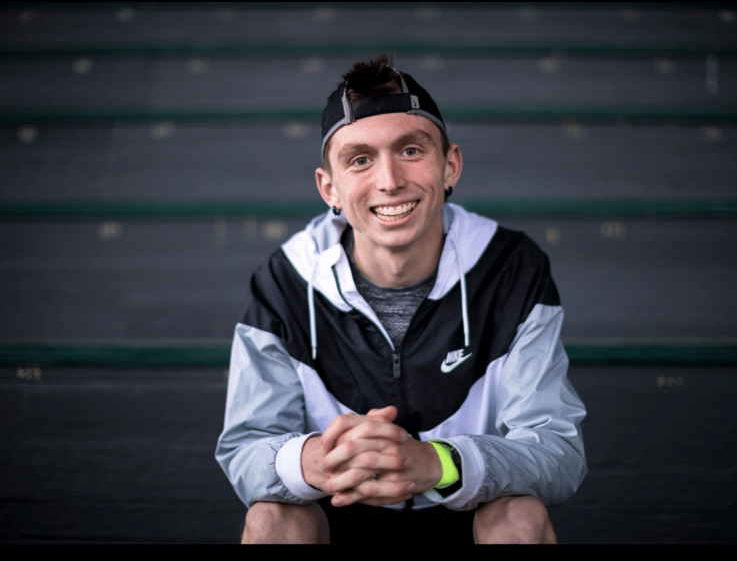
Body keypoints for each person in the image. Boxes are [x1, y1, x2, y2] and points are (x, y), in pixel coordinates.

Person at [215, 53, 587, 544]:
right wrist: (321, 459)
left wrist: (439, 463)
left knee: (519, 517)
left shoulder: (512, 267)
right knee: (271, 521)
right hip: (339, 514)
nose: (389, 181)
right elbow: (245, 447)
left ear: (450, 164)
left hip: (463, 509)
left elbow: (558, 450)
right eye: (360, 159)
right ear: (329, 188)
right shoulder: (285, 280)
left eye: (411, 150)